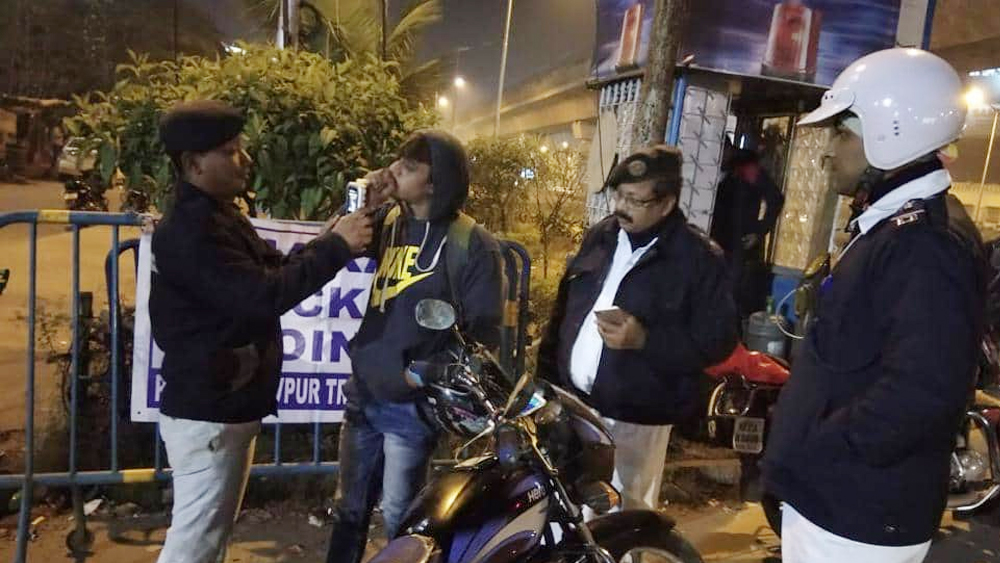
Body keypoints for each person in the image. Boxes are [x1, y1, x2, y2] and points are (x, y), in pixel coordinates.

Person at [761, 48, 986, 563]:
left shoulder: (926, 244)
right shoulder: (893, 227)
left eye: (842, 133)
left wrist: (823, 449)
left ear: (893, 132)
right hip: (838, 501)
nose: (830, 151)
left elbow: (923, 391)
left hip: (855, 510)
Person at [150, 100, 373, 563]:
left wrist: (328, 238)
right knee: (194, 545)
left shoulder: (218, 215)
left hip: (225, 408)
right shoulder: (193, 230)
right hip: (210, 414)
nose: (245, 159)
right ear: (194, 164)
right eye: (230, 151)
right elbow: (263, 296)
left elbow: (272, 271)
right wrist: (336, 247)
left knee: (207, 540)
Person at [325, 130, 504, 563]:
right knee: (348, 511)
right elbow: (329, 243)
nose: (393, 171)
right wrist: (363, 203)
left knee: (401, 520)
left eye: (408, 168)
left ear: (436, 182)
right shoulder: (390, 222)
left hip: (410, 406)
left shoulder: (470, 243)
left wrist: (416, 374)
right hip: (364, 393)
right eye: (397, 162)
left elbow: (483, 336)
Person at [536, 145, 738, 511]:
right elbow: (565, 310)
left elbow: (717, 342)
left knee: (620, 520)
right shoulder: (602, 236)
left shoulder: (697, 260)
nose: (621, 207)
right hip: (575, 407)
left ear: (666, 204)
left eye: (635, 200)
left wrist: (645, 340)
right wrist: (546, 380)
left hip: (635, 422)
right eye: (619, 195)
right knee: (567, 514)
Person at [710, 147, 785, 317]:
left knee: (731, 296)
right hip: (714, 241)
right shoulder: (711, 170)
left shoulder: (746, 169)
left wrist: (759, 231)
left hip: (738, 244)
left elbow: (775, 199)